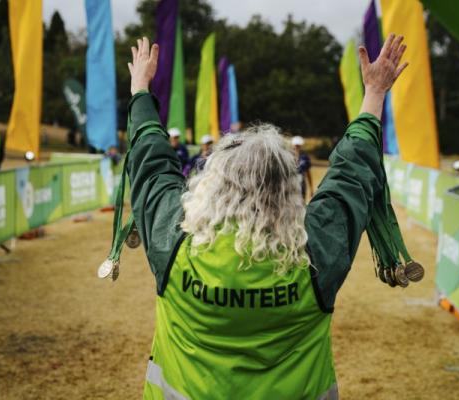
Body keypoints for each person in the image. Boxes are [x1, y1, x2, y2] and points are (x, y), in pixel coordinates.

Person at [123, 35, 408, 399]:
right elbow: (351, 177)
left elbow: (151, 165)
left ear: (213, 181)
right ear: (287, 188)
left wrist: (140, 90)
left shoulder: (175, 245)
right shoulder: (314, 256)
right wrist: (374, 94)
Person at [292, 135, 314, 201]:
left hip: (302, 183)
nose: (297, 147)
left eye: (298, 145)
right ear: (293, 145)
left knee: (301, 202)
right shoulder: (288, 156)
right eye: (296, 145)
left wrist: (311, 188)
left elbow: (308, 173)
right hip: (291, 183)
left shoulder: (305, 157)